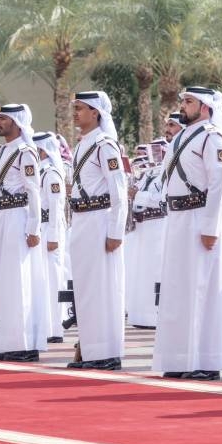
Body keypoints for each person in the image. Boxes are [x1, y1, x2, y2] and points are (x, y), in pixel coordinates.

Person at [153, 86, 222, 381]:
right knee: (178, 291)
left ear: (206, 107)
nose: (183, 106)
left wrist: (211, 227)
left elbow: (219, 183)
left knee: (202, 290)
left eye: (189, 102)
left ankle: (204, 360)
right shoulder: (181, 138)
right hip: (178, 218)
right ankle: (179, 357)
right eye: (183, 101)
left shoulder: (213, 137)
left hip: (200, 218)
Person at [0, 104, 48, 362]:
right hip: (2, 217)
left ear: (17, 122)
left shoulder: (25, 152)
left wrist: (33, 227)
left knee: (19, 282)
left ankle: (24, 343)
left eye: (4, 118)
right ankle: (7, 341)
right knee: (3, 282)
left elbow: (33, 191)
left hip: (19, 218)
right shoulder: (4, 151)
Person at [67, 92, 127, 370]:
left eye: (80, 109)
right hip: (82, 220)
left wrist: (115, 231)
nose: (75, 113)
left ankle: (105, 352)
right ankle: (91, 351)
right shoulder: (83, 144)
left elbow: (119, 190)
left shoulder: (105, 145)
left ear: (96, 113)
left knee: (102, 288)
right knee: (86, 289)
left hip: (100, 220)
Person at [126, 138, 169, 328]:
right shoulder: (148, 174)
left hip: (158, 226)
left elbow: (163, 200)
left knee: (155, 272)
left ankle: (154, 316)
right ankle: (141, 316)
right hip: (142, 228)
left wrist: (139, 195)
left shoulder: (167, 174)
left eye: (158, 151)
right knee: (141, 272)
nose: (154, 156)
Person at [33, 132, 67, 342]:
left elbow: (56, 208)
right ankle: (44, 326)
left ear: (42, 151)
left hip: (49, 229)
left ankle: (54, 329)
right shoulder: (40, 173)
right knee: (42, 279)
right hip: (42, 228)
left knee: (52, 279)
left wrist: (53, 237)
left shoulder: (51, 174)